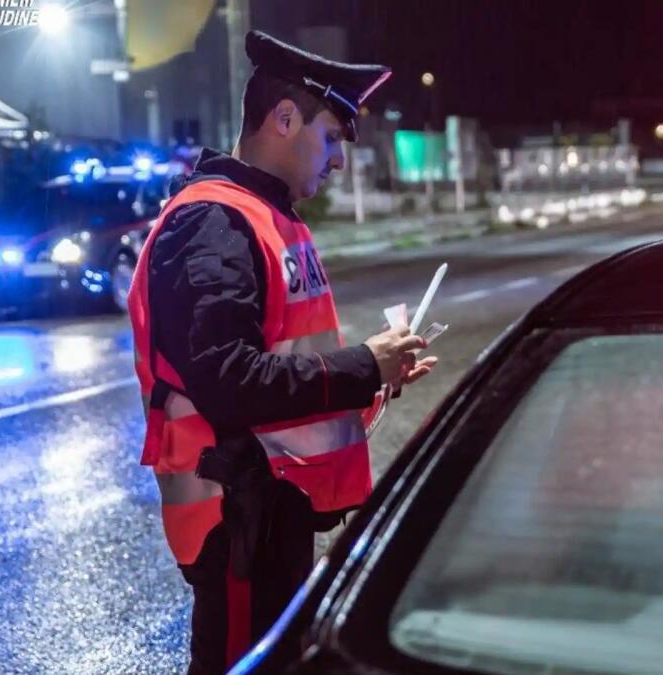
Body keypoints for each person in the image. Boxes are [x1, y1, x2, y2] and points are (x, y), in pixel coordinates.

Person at [126, 31, 435, 674]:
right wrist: (362, 365)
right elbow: (229, 381)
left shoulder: (267, 217)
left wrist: (375, 376)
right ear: (285, 118)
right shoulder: (214, 222)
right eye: (332, 137)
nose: (339, 161)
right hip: (238, 518)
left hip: (270, 512)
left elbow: (284, 359)